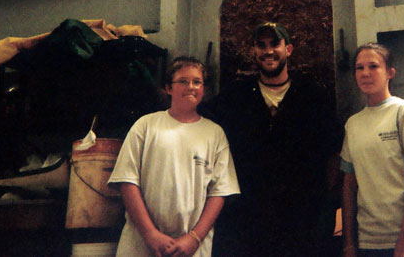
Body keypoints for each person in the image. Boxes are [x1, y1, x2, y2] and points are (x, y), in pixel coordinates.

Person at [200, 22, 343, 257]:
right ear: (254, 52)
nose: (268, 51)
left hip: (302, 217)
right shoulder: (237, 96)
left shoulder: (311, 96)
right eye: (261, 45)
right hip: (249, 218)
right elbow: (201, 121)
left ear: (289, 49)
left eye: (275, 44)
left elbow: (334, 150)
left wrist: (327, 201)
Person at [108, 56, 240, 257]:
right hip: (141, 244)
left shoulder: (214, 134)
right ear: (169, 88)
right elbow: (127, 181)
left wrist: (194, 238)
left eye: (197, 82)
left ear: (204, 89)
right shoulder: (145, 126)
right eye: (183, 81)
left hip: (191, 248)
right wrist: (151, 234)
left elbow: (219, 191)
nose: (191, 87)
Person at [340, 43, 404, 257]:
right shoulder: (353, 124)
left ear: (389, 73)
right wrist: (349, 243)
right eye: (359, 68)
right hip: (370, 243)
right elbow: (349, 186)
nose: (365, 73)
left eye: (373, 66)